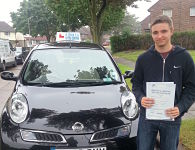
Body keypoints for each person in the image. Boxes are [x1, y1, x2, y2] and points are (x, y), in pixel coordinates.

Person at [131, 15, 195, 150]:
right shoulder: (143, 59)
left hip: (172, 118)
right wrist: (141, 98)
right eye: (155, 32)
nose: (159, 36)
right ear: (151, 35)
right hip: (147, 117)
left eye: (163, 31)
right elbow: (135, 85)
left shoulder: (184, 57)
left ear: (171, 31)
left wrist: (180, 107)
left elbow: (191, 88)